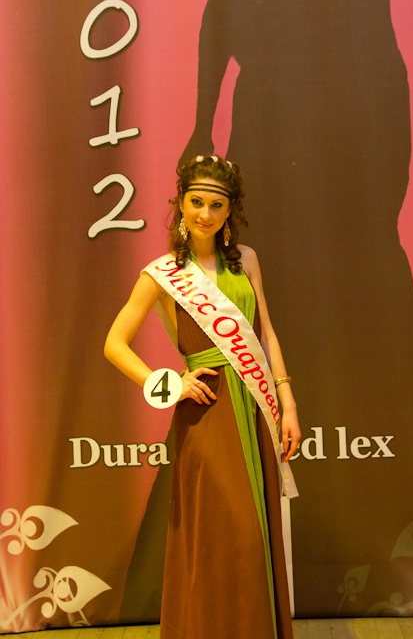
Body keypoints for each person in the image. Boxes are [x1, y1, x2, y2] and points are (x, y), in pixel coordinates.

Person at [104, 154, 301, 639]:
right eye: (197, 202)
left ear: (230, 210)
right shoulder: (162, 274)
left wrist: (288, 403)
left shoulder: (246, 260)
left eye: (217, 205)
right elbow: (114, 344)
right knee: (223, 531)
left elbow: (266, 334)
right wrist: (169, 383)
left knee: (254, 529)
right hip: (206, 410)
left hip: (254, 405)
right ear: (181, 204)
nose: (205, 214)